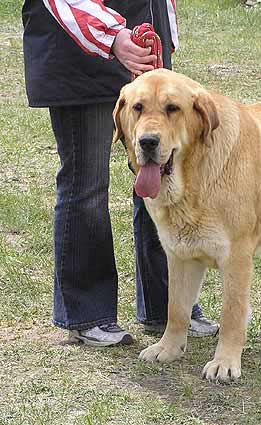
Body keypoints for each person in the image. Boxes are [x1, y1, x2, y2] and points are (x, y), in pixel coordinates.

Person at [21, 0, 218, 346]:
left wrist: (164, 34)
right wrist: (112, 37)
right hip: (78, 55)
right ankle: (87, 313)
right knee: (87, 184)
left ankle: (167, 306)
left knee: (160, 181)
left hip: (142, 46)